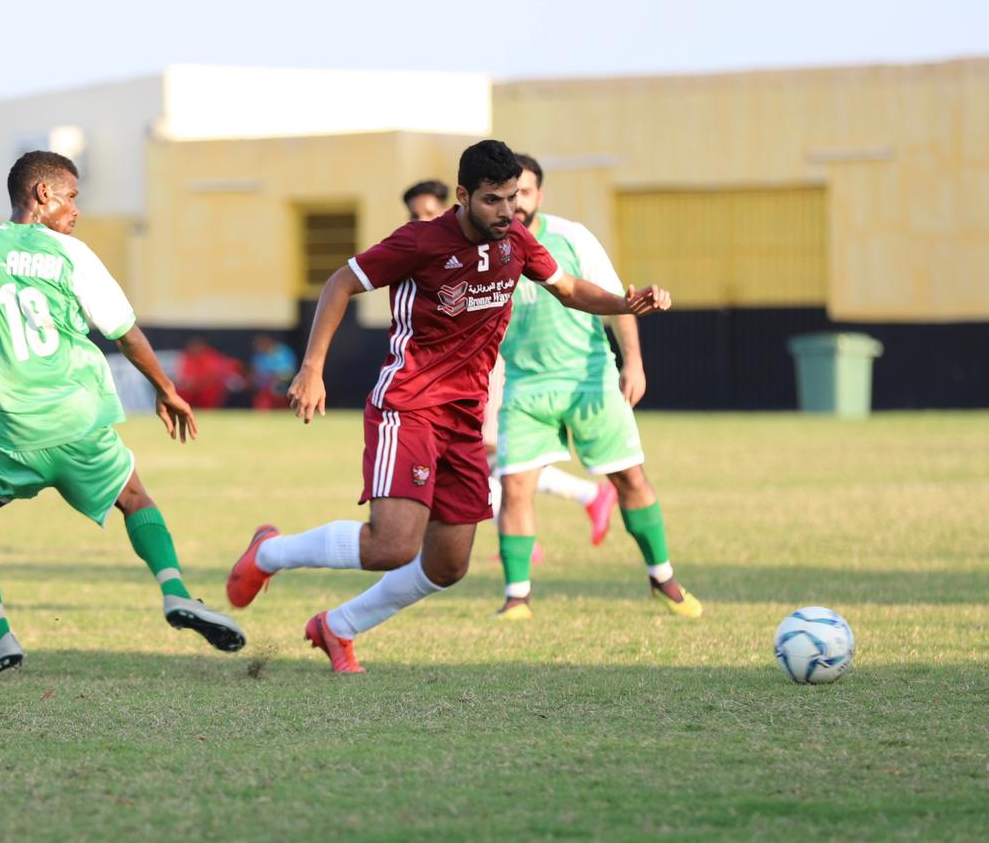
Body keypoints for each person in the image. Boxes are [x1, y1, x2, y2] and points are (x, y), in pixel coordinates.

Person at [225, 140, 672, 673]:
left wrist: (627, 303)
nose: (506, 211)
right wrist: (312, 368)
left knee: (448, 565)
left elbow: (569, 288)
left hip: (465, 418)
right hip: (408, 405)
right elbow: (341, 282)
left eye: (512, 198)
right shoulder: (421, 241)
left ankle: (337, 626)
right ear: (462, 196)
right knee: (392, 546)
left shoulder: (517, 241)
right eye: (492, 200)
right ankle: (270, 552)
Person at [0, 151, 245, 682]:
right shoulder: (72, 255)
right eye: (71, 197)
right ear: (41, 194)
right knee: (135, 498)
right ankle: (175, 593)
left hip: (14, 429)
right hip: (79, 417)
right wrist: (166, 389)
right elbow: (126, 334)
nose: (76, 209)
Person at [493, 154, 701, 621]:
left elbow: (616, 300)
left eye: (524, 192)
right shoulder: (485, 249)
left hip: (589, 380)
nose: (516, 202)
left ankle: (663, 578)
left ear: (539, 195)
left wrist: (634, 363)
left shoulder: (571, 237)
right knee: (515, 487)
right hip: (524, 386)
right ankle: (517, 598)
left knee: (630, 479)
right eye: (507, 194)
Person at [402, 180, 614, 563]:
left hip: (488, 363)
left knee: (491, 455)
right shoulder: (423, 249)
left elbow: (554, 287)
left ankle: (532, 534)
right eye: (415, 214)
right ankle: (581, 501)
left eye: (429, 211)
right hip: (453, 368)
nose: (422, 219)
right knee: (491, 459)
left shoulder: (478, 242)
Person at [177, 337, 245, 409]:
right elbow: (186, 375)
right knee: (181, 392)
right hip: (194, 388)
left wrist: (198, 384)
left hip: (210, 387)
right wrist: (191, 384)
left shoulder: (210, 356)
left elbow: (213, 376)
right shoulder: (188, 358)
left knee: (210, 391)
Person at [250, 334, 296, 410]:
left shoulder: (282, 352)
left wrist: (275, 377)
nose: (259, 346)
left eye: (262, 342)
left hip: (282, 383)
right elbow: (255, 373)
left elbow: (288, 371)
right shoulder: (258, 356)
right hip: (263, 387)